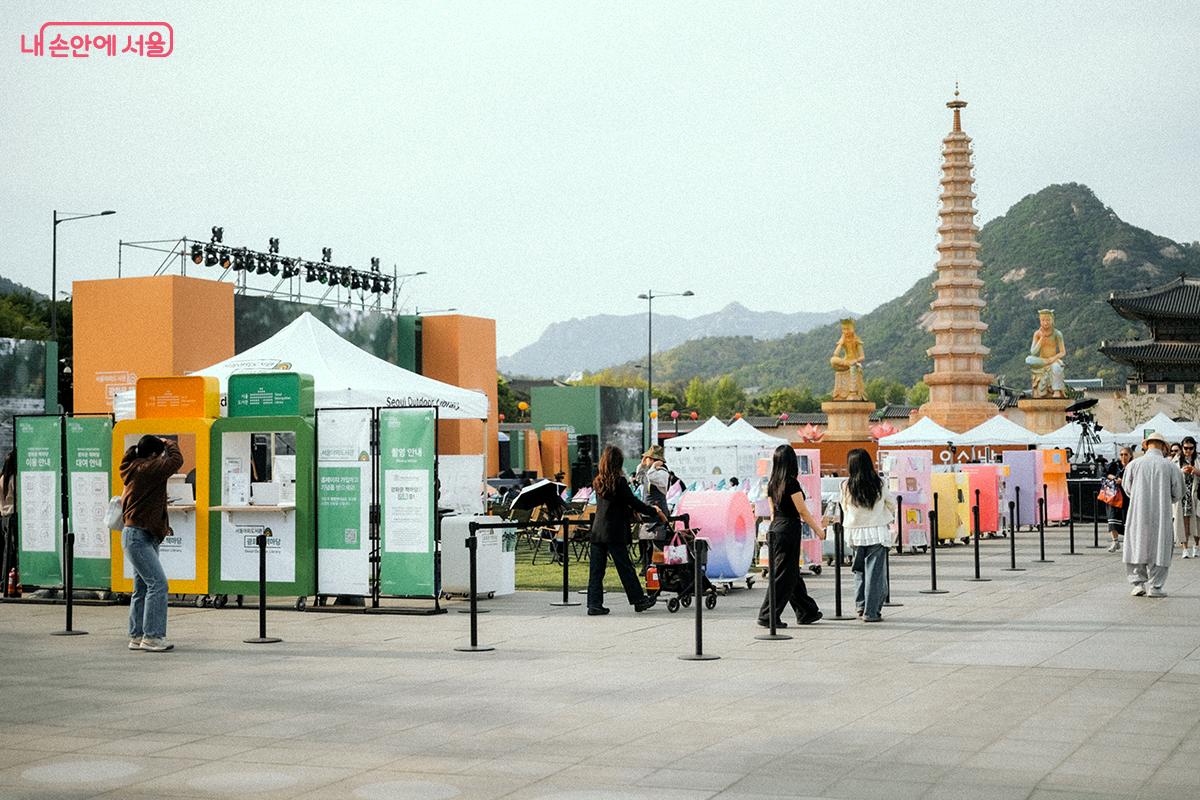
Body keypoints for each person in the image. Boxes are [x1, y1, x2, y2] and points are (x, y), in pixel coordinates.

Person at [120, 435, 184, 651]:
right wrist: (168, 442)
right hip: (140, 535)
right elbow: (176, 460)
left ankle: (137, 635)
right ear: (154, 455)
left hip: (138, 534)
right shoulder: (148, 468)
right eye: (160, 454)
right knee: (158, 584)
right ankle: (153, 637)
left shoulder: (134, 466)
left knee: (141, 587)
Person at [587, 445, 665, 616]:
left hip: (598, 531)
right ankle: (638, 600)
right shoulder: (619, 482)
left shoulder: (598, 481)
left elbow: (613, 504)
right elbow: (633, 502)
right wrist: (654, 511)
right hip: (614, 531)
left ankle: (594, 604)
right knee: (625, 568)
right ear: (618, 462)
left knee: (596, 571)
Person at [757, 444, 825, 628]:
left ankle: (806, 611)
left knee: (790, 572)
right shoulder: (791, 483)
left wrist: (772, 531)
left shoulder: (772, 483)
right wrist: (818, 530)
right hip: (789, 528)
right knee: (783, 575)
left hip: (776, 528)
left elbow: (773, 512)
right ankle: (767, 615)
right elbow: (802, 511)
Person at [1123, 432, 1184, 598]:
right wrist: (1166, 499)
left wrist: (1138, 497)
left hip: (1138, 511)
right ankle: (1156, 586)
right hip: (1161, 512)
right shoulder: (1170, 466)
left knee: (1137, 543)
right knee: (1160, 546)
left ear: (1146, 445)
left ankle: (1137, 584)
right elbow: (1178, 492)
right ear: (1163, 446)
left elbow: (1127, 488)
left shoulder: (1134, 465)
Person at [842, 449, 896, 623]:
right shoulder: (879, 483)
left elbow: (844, 507)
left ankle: (860, 605)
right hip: (877, 531)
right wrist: (883, 515)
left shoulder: (846, 485)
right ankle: (871, 612)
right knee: (874, 574)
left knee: (858, 570)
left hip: (855, 532)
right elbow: (891, 504)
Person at [634, 445, 671, 564]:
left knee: (657, 545)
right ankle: (646, 567)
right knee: (645, 545)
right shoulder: (650, 471)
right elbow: (639, 478)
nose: (646, 460)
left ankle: (657, 568)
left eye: (648, 458)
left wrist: (654, 466)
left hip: (658, 514)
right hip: (648, 512)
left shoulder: (662, 473)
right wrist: (642, 465)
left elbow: (652, 477)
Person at [1173, 436, 1200, 558]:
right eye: (1185, 448)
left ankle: (1196, 546)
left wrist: (1196, 471)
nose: (1188, 451)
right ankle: (1185, 548)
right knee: (1183, 522)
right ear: (1182, 448)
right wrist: (1181, 472)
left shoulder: (1198, 460)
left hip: (1196, 495)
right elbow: (1171, 476)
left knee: (1197, 522)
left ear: (1194, 448)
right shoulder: (1176, 460)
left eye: (1191, 448)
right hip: (1182, 496)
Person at [1104, 447, 1133, 553]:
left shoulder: (1133, 466)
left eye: (1126, 455)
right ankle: (1115, 541)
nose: (1123, 457)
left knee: (1127, 520)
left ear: (1130, 455)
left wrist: (1123, 481)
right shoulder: (1115, 465)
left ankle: (1129, 543)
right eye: (1121, 455)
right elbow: (1105, 473)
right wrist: (1114, 478)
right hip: (1114, 495)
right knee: (1112, 518)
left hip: (1127, 496)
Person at [1, 450, 16, 594]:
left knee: (7, 550)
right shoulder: (14, 479)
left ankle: (4, 580)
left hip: (3, 517)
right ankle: (12, 580)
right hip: (13, 516)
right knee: (14, 550)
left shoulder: (1, 479)